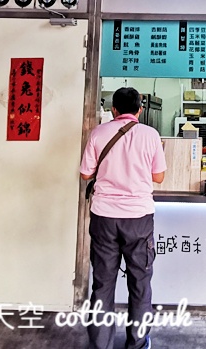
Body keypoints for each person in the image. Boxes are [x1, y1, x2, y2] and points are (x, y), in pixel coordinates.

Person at [80, 87, 167, 349]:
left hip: (104, 217)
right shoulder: (150, 135)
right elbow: (159, 176)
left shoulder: (98, 133)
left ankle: (100, 344)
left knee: (102, 284)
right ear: (140, 109)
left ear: (113, 110)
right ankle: (138, 343)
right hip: (138, 218)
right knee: (140, 282)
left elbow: (85, 175)